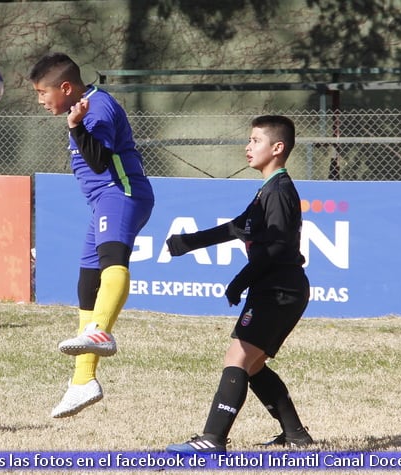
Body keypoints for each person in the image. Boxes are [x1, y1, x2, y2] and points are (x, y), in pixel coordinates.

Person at [165, 115, 312, 453]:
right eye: (249, 140)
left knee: (238, 359)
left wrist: (239, 281)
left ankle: (212, 439)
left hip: (278, 289)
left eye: (256, 141)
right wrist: (188, 243)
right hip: (279, 287)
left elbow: (275, 249)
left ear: (278, 148)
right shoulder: (268, 190)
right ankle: (296, 435)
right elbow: (236, 227)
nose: (248, 146)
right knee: (254, 364)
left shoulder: (279, 192)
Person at [28, 53, 155, 418]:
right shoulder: (84, 109)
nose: (40, 100)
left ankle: (101, 331)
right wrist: (75, 125)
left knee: (112, 261)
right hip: (104, 201)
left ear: (66, 88)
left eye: (42, 92)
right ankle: (83, 381)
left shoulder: (96, 108)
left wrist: (76, 127)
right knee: (87, 283)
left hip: (122, 194)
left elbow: (99, 160)